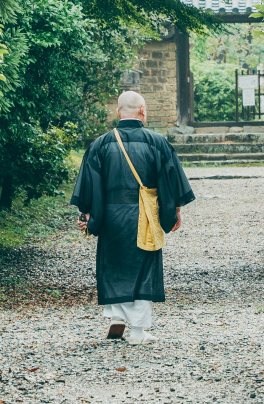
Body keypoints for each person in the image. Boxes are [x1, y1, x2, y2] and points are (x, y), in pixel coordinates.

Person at [71, 91, 195, 344]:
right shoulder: (157, 142)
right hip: (145, 215)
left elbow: (89, 187)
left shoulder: (100, 144)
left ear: (118, 113)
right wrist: (174, 212)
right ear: (143, 110)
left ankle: (117, 316)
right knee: (143, 268)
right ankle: (138, 332)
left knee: (114, 265)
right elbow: (171, 183)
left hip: (110, 215)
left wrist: (88, 215)